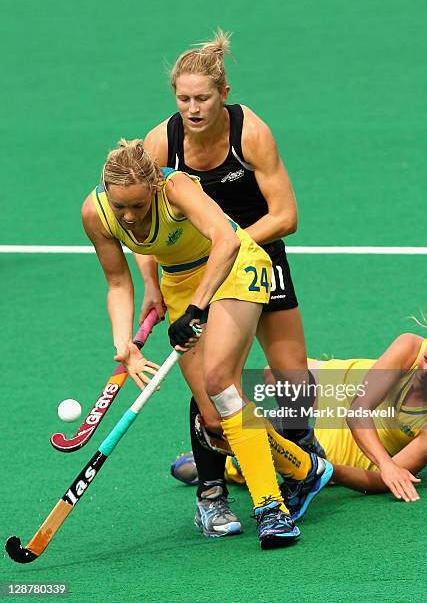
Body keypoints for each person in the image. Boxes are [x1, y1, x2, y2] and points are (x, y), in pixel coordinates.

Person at [81, 139, 332, 549]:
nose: (128, 217)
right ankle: (304, 468)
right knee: (213, 419)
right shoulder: (95, 213)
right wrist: (124, 343)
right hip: (180, 282)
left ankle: (272, 510)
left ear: (155, 190)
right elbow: (116, 281)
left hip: (236, 266)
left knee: (219, 379)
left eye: (138, 207)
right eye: (120, 206)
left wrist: (197, 309)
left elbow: (227, 241)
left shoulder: (177, 187)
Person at [138, 29, 321, 537]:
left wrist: (231, 242)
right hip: (200, 269)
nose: (193, 109)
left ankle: (299, 464)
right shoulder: (162, 142)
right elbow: (147, 224)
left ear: (224, 93)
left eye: (203, 98)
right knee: (215, 381)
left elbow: (286, 215)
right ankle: (213, 491)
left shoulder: (251, 133)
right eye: (184, 99)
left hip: (260, 251)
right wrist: (151, 285)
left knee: (292, 375)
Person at [171, 317, 427, 506]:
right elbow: (358, 409)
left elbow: (382, 480)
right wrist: (386, 464)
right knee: (276, 373)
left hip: (345, 449)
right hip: (346, 388)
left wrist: (324, 468)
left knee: (286, 451)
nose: (423, 369)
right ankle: (268, 442)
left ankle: (235, 462)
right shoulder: (410, 346)